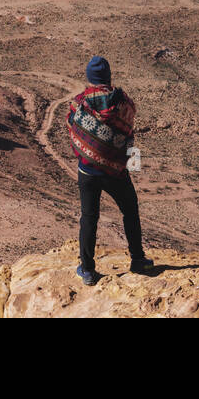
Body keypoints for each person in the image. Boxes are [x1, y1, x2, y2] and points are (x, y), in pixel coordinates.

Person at [67, 55, 154, 285]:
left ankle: (87, 270)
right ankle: (137, 259)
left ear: (89, 77)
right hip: (116, 171)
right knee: (130, 210)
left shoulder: (80, 101)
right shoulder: (123, 101)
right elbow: (128, 133)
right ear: (108, 76)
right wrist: (131, 165)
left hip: (88, 171)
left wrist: (88, 150)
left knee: (89, 218)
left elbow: (72, 127)